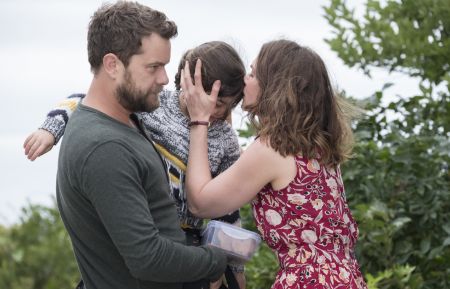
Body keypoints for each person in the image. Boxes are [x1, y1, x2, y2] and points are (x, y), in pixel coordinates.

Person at [38, 2, 232, 289]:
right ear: (112, 65)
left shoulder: (125, 120)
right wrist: (215, 261)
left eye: (165, 66)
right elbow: (147, 258)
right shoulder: (105, 147)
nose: (165, 79)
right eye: (154, 67)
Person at [182, 39, 368, 289]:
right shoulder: (316, 149)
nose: (244, 80)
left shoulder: (272, 149)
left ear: (274, 86)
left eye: (253, 73)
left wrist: (199, 121)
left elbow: (201, 203)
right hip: (344, 279)